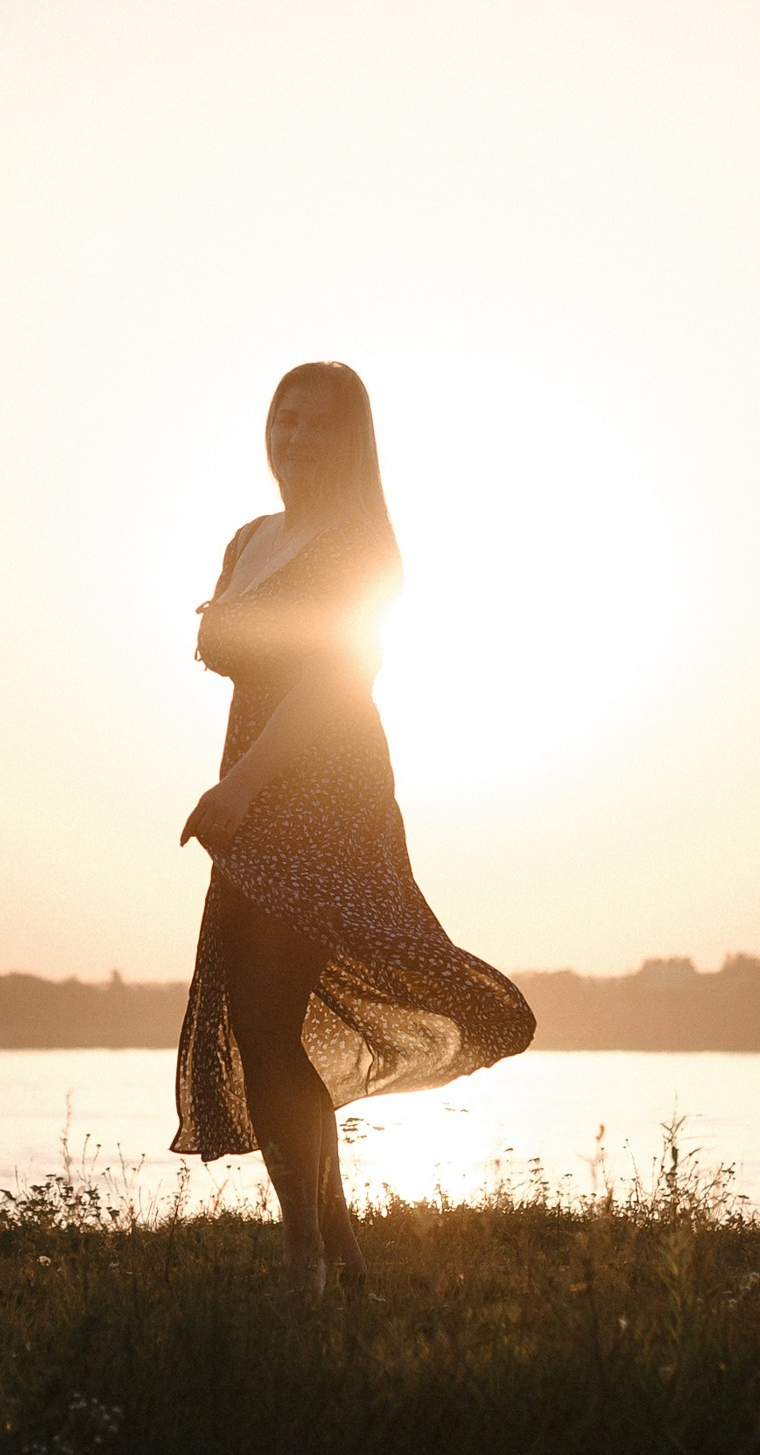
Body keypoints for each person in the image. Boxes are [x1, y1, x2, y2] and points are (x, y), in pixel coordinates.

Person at [177, 360, 536, 1297]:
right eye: (284, 418)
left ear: (350, 440)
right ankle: (339, 1261)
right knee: (264, 1030)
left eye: (318, 423)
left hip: (323, 791)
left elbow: (337, 679)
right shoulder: (250, 537)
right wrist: (240, 789)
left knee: (263, 1020)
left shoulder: (362, 544)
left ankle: (308, 1265)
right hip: (254, 788)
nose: (296, 436)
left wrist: (242, 789)